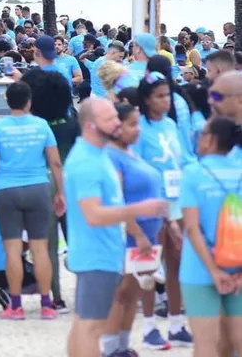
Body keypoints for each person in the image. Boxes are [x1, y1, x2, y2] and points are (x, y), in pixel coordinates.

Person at [63, 98, 169, 357]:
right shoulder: (88, 161)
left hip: (99, 252)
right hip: (97, 254)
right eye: (109, 119)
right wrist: (140, 209)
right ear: (90, 125)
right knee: (91, 327)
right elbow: (94, 215)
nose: (116, 123)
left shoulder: (96, 155)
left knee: (83, 324)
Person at [0, 81, 65, 320]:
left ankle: (15, 305)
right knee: (40, 249)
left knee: (12, 250)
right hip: (38, 187)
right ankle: (46, 304)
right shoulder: (42, 125)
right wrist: (60, 193)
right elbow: (55, 162)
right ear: (29, 102)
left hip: (6, 190)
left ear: (7, 101)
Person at [134, 70, 192, 348]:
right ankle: (148, 327)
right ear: (146, 99)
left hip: (176, 202)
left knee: (177, 263)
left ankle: (177, 324)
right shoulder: (139, 129)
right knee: (148, 266)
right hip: (150, 206)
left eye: (167, 94)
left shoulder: (170, 125)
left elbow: (182, 160)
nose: (165, 100)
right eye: (159, 96)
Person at [101, 104, 163, 357]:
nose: (138, 129)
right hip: (130, 235)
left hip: (146, 234)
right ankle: (111, 348)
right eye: (132, 124)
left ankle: (123, 345)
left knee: (133, 292)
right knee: (122, 293)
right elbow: (117, 200)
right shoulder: (113, 156)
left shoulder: (130, 153)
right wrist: (137, 233)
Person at [180, 117, 242, 355]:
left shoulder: (194, 173)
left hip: (198, 268)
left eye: (203, 133)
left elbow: (192, 228)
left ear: (212, 140)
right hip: (237, 265)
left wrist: (213, 271)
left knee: (206, 343)